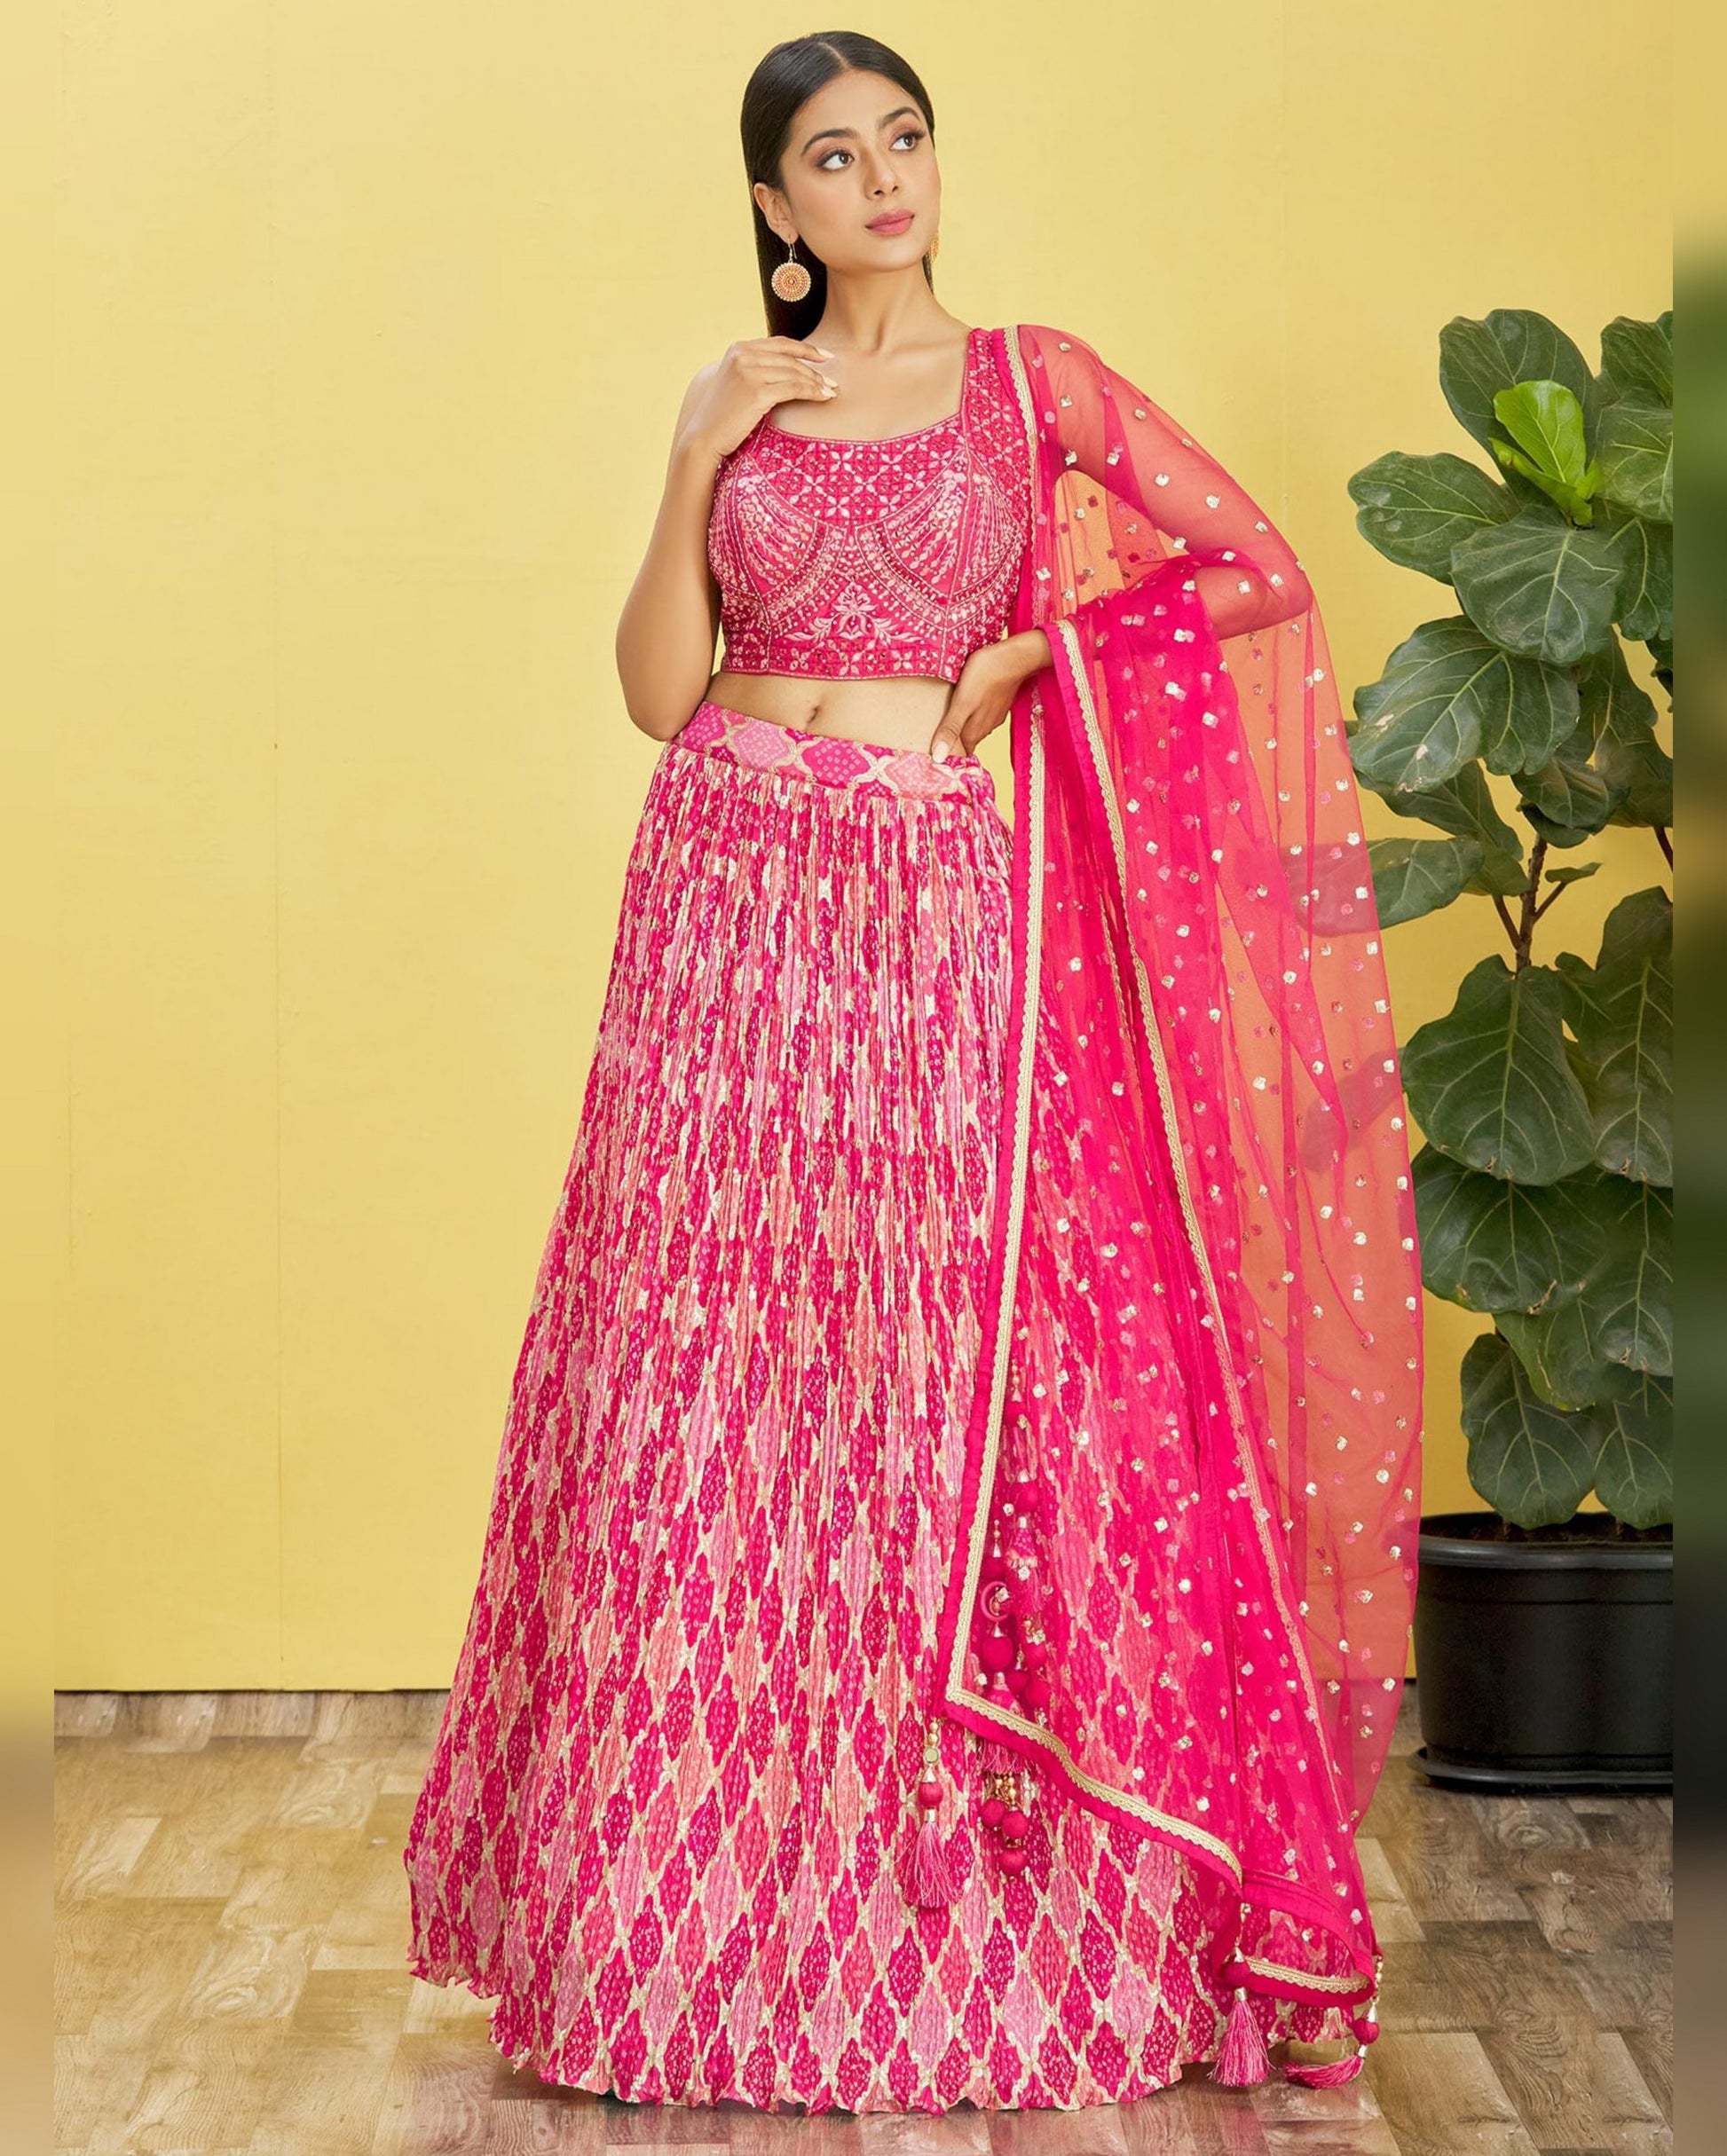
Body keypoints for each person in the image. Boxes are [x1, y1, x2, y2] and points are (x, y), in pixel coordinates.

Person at [403, 28, 1423, 2118]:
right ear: (773, 205)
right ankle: (672, 1932)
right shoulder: (742, 402)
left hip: (925, 905)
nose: (882, 180)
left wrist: (1030, 660)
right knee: (697, 1399)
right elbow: (658, 691)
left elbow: (1254, 571)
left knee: (920, 1390)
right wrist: (694, 451)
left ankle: (938, 1913)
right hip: (715, 904)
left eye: (905, 141)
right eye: (832, 157)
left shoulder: (1035, 383)